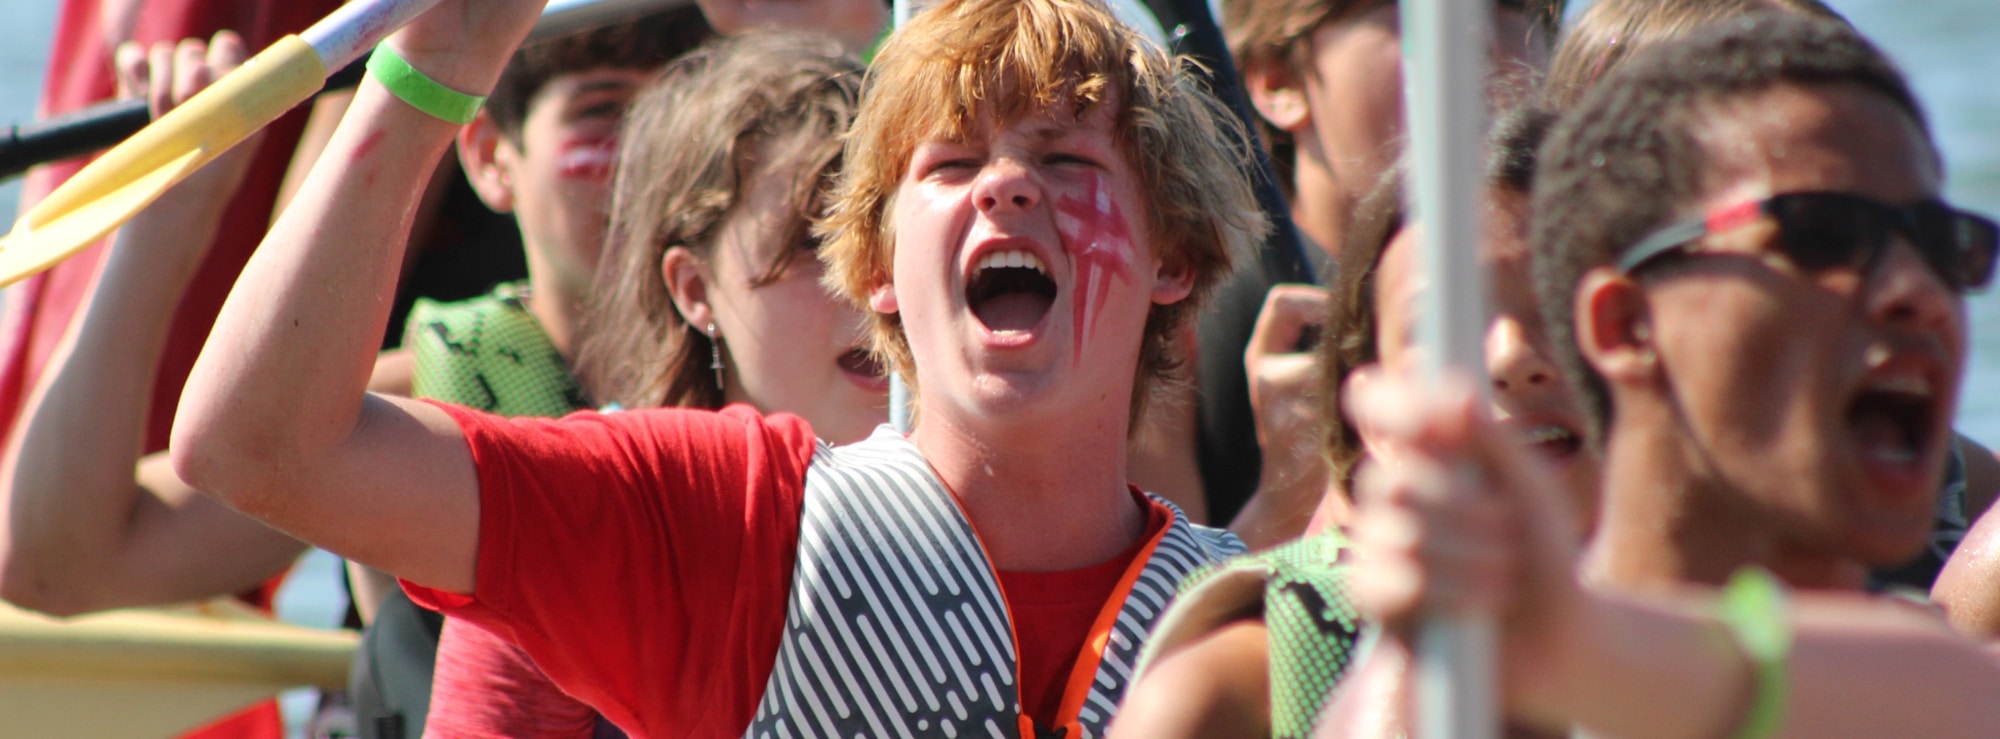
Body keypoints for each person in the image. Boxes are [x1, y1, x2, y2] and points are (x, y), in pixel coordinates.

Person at [171, 0, 1263, 736]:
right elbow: (254, 444)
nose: (1006, 188)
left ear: (1171, 253)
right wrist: (439, 67)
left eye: (1065, 159)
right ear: (875, 268)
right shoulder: (722, 519)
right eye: (953, 162)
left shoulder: (1277, 622)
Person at [1328, 13, 2000, 735]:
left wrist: (1571, 644)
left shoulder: (1943, 690)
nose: (1918, 292)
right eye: (1823, 233)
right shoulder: (1429, 701)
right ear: (1624, 325)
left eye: (1943, 244)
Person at [423, 31, 885, 737]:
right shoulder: (574, 522)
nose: (874, 287)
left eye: (890, 237)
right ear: (695, 290)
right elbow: (264, 452)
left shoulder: (1037, 496)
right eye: (811, 243)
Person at [1111, 109, 1595, 739]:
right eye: (1445, 321)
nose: (1511, 358)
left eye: (1562, 302)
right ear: (1366, 407)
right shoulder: (1233, 695)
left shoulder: (1747, 645)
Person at [1206, 0, 1558, 542]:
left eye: (1511, 7)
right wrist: (1281, 505)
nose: (1471, 38)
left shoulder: (1603, 268)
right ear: (1281, 81)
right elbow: (1138, 622)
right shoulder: (1196, 313)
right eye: (1414, 12)